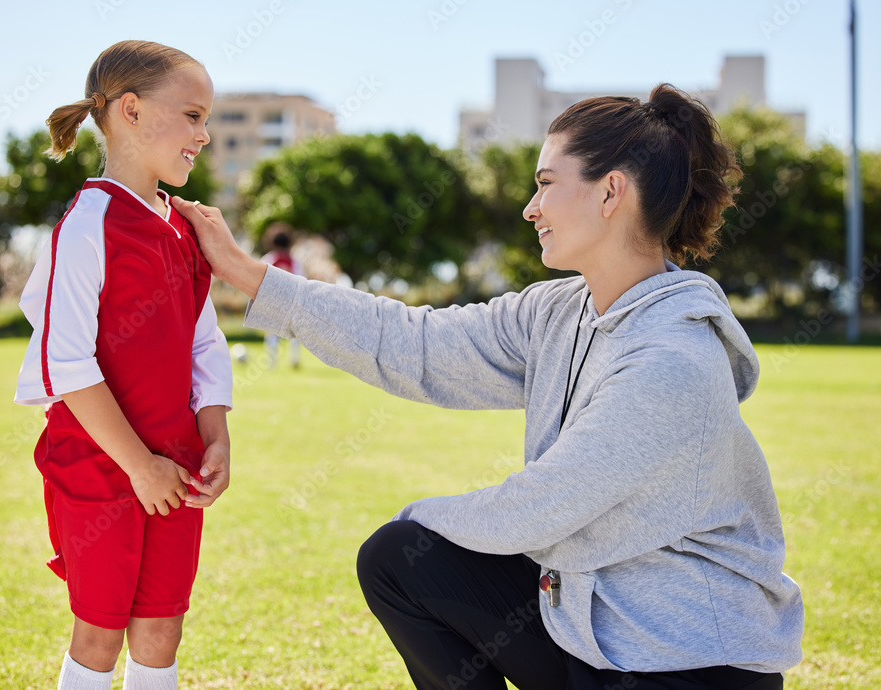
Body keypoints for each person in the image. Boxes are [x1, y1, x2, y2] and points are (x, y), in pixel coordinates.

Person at [173, 82, 804, 689]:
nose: (531, 207)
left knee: (413, 537)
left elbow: (542, 508)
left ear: (611, 192)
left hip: (688, 666)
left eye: (546, 184)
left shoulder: (672, 359)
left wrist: (420, 516)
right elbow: (416, 343)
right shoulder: (558, 312)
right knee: (399, 558)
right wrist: (252, 278)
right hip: (589, 634)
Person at [14, 40, 233, 690]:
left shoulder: (184, 229)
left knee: (162, 627)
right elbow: (65, 361)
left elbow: (205, 341)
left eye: (207, 117)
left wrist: (215, 431)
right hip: (101, 469)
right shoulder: (87, 225)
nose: (206, 133)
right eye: (192, 115)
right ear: (132, 110)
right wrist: (139, 467)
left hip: (177, 469)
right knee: (101, 631)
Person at [259, 223, 304, 368]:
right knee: (294, 333)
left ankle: (271, 362)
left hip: (272, 300)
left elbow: (261, 279)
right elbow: (301, 280)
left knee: (272, 332)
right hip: (291, 300)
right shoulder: (294, 261)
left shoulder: (268, 259)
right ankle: (294, 359)